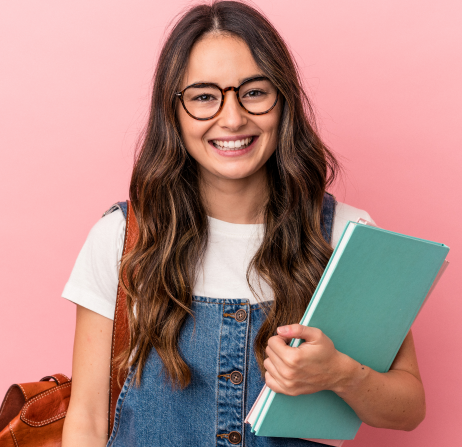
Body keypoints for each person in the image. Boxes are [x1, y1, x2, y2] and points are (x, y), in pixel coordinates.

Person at [61, 2, 425, 446]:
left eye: (254, 91)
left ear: (283, 99)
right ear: (172, 111)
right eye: (203, 97)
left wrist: (341, 374)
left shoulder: (346, 238)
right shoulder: (122, 239)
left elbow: (408, 409)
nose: (232, 118)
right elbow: (87, 419)